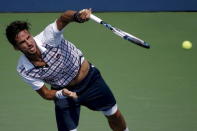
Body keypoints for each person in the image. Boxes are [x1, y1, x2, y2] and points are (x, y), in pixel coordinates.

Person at [5, 8, 129, 131]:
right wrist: (61, 94)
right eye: (22, 42)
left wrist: (77, 16)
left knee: (114, 115)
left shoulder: (48, 37)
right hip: (64, 93)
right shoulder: (24, 69)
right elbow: (46, 93)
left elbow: (64, 18)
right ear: (16, 47)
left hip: (90, 81)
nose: (29, 43)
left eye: (28, 38)